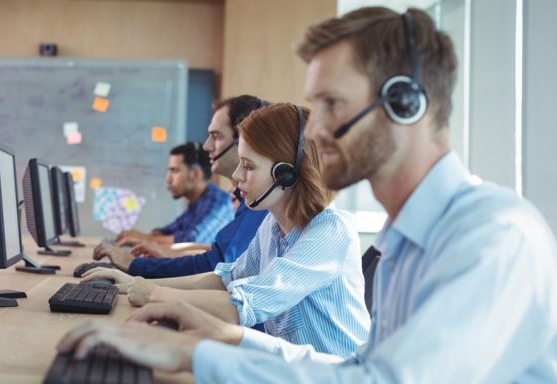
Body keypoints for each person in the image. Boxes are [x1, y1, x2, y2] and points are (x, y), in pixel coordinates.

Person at [57, 7, 557, 383]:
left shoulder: (491, 238)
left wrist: (203, 353)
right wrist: (209, 344)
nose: (312, 132)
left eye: (332, 103)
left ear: (405, 105)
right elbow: (354, 367)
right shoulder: (405, 239)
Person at [84, 103, 370, 357]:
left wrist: (155, 294)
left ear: (286, 174)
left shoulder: (330, 232)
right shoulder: (272, 226)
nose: (236, 176)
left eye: (248, 166)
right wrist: (135, 282)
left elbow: (243, 304)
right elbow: (226, 279)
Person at [93, 95, 269, 278]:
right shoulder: (244, 201)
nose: (207, 146)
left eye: (216, 136)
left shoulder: (250, 203)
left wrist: (136, 265)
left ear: (243, 142)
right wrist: (154, 253)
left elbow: (214, 264)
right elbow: (208, 254)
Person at [114, 142, 233, 246]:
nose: (168, 179)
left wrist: (142, 239)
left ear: (195, 174)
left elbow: (191, 241)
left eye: (174, 171)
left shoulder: (219, 203)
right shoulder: (196, 204)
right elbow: (166, 231)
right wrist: (138, 237)